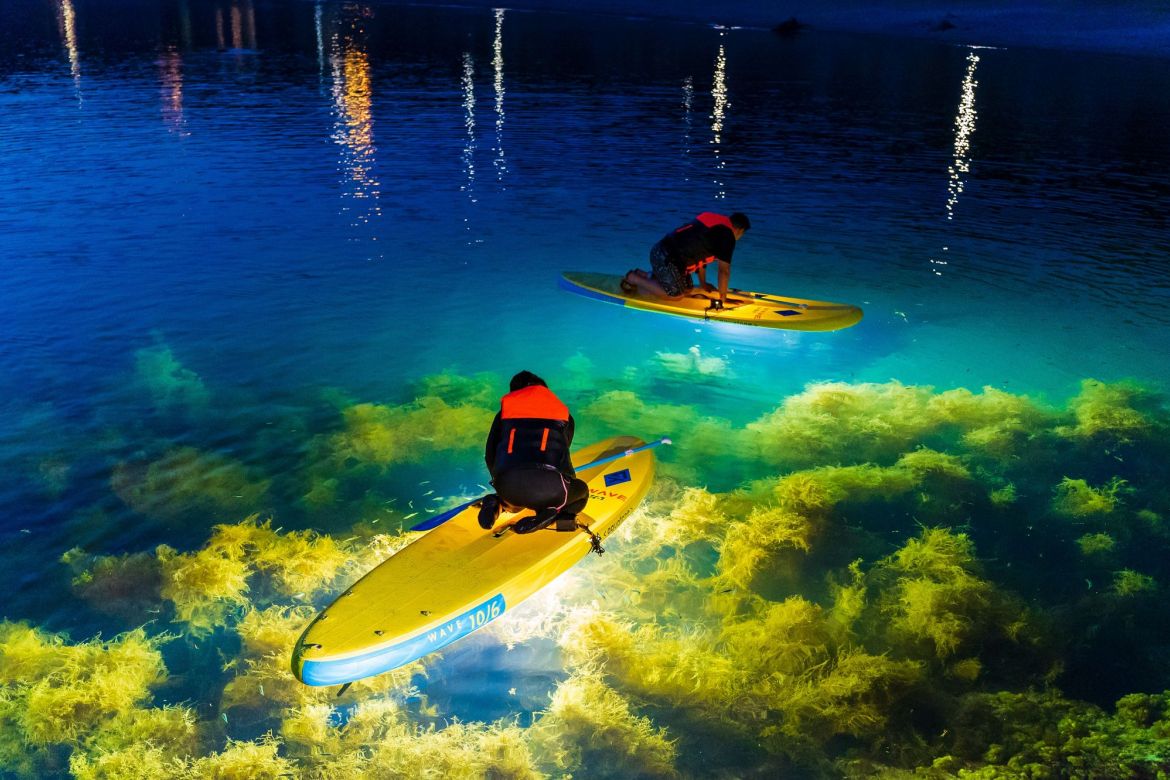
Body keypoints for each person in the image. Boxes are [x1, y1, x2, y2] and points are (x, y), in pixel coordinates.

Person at [478, 371, 589, 534]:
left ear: (514, 393)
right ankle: (552, 514)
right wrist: (568, 484)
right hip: (548, 489)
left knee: (512, 502)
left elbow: (490, 455)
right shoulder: (564, 416)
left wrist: (500, 483)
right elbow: (563, 461)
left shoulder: (503, 414)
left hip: (508, 486)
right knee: (582, 492)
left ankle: (497, 503)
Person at [622, 211, 751, 308]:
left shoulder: (715, 222)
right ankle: (634, 278)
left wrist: (703, 284)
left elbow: (701, 254)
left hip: (663, 253)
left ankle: (644, 275)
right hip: (665, 257)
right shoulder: (727, 236)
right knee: (676, 294)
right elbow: (724, 271)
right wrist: (723, 299)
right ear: (739, 230)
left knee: (687, 289)